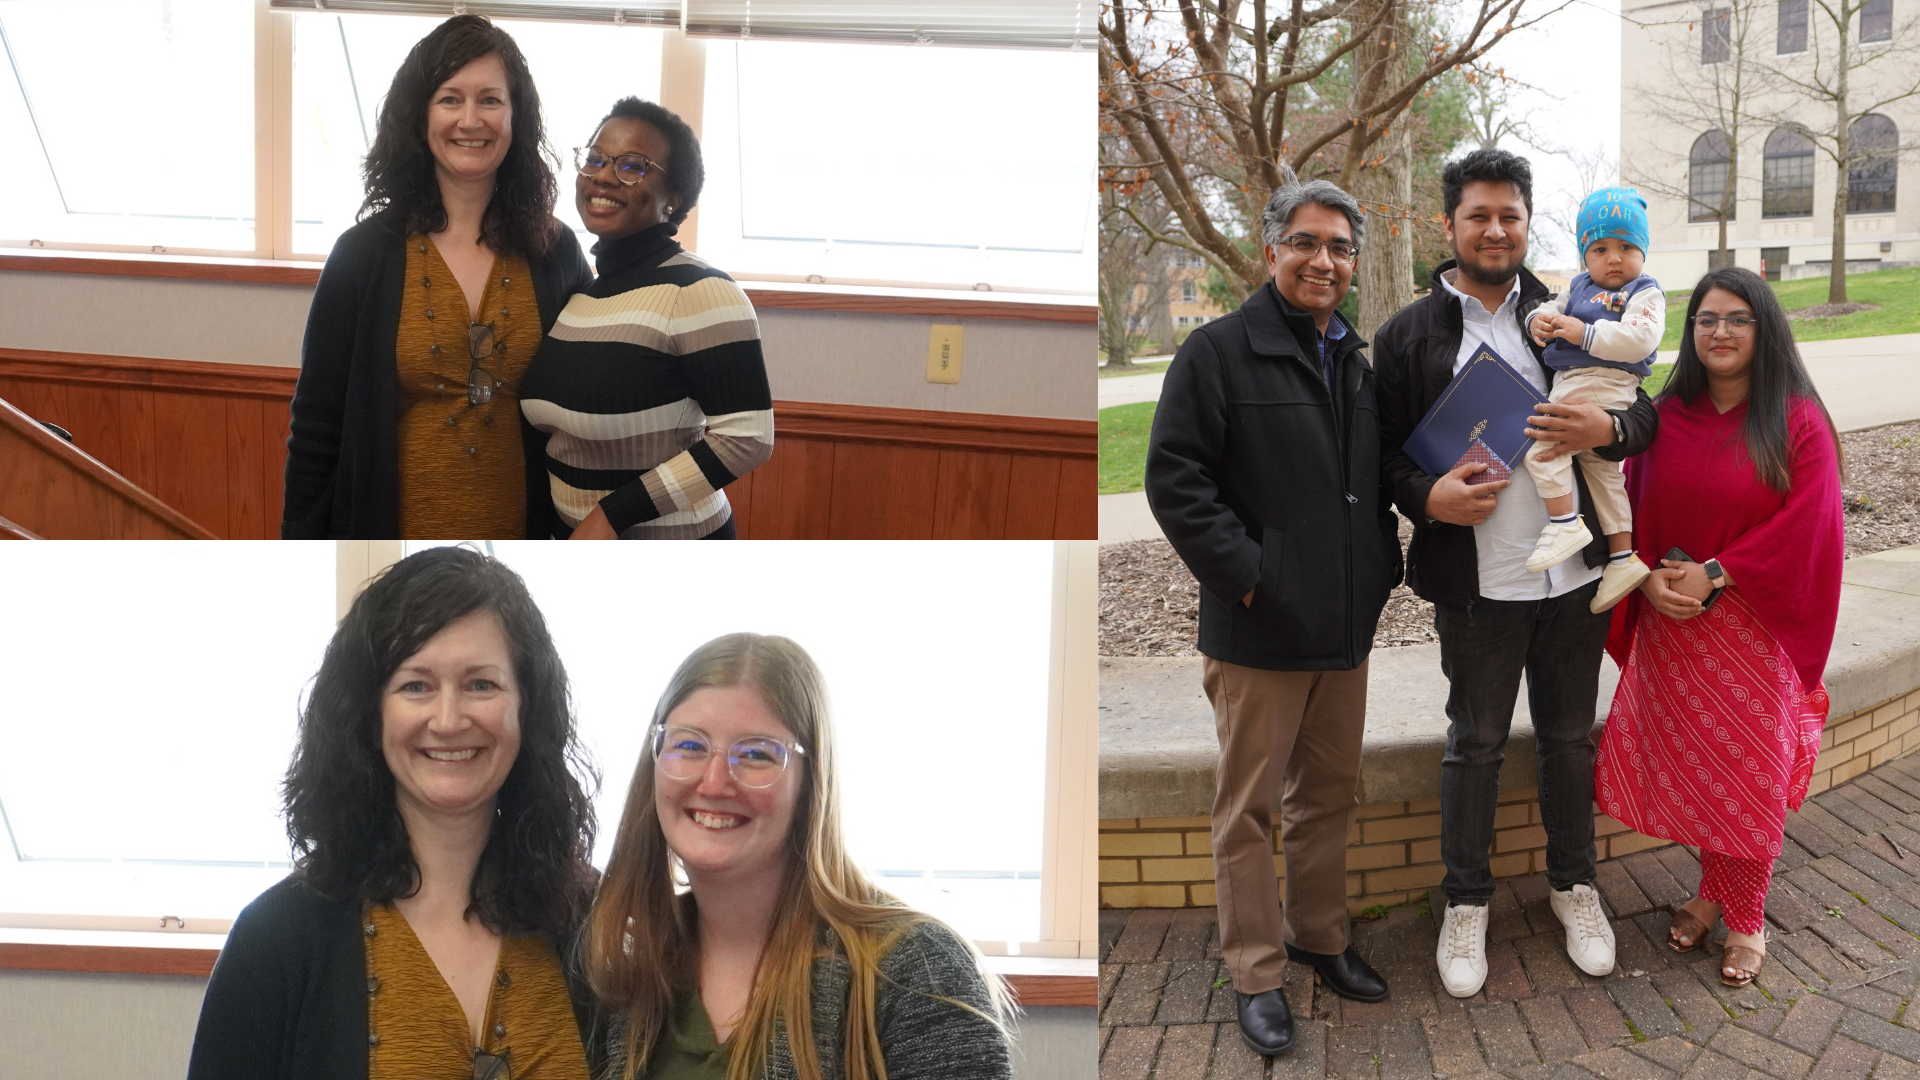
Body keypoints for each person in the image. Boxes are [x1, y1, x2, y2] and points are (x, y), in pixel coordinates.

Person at [1372, 149, 1661, 997]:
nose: (1495, 230)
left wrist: (1599, 436)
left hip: (1574, 583)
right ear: (1449, 225)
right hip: (1477, 587)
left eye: (1510, 216)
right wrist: (1428, 497)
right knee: (1476, 745)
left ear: (1529, 224)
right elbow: (1385, 458)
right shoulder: (1407, 337)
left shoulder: (1573, 308)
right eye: (1478, 216)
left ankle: (1576, 887)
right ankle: (1466, 904)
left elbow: (1641, 414)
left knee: (1571, 740)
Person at [1143, 168, 1401, 1058]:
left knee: (1326, 795)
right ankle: (1256, 972)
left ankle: (1319, 937)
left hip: (1342, 631)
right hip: (1259, 632)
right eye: (1305, 241)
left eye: (1338, 246)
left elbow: (1369, 483)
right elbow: (1176, 482)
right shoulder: (1217, 353)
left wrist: (1378, 569)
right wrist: (1255, 578)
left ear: (1353, 262)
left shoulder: (1356, 361)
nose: (1321, 260)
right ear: (1271, 250)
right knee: (1248, 809)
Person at [186, 547, 600, 1079]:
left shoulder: (591, 920)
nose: (448, 720)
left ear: (528, 708)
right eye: (415, 686)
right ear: (369, 711)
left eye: (481, 684)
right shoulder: (277, 938)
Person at [584, 633, 1012, 1078]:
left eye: (755, 754)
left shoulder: (917, 970)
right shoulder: (625, 966)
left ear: (811, 782)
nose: (713, 783)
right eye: (689, 745)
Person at [1595, 266, 1844, 988]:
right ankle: (1709, 892)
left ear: (1764, 329)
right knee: (1705, 773)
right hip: (1675, 623)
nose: (1722, 332)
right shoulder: (1666, 415)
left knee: (1749, 776)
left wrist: (1718, 572)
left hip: (1751, 626)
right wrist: (1648, 579)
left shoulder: (1796, 419)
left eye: (1738, 318)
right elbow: (1627, 506)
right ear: (1691, 330)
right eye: (1707, 319)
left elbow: (1811, 525)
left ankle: (1748, 920)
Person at [282, 15, 593, 540]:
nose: (470, 120)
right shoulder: (361, 257)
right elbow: (316, 431)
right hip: (384, 546)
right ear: (420, 115)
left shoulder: (554, 250)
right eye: (450, 99)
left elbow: (588, 397)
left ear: (517, 117)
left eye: (490, 100)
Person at [519, 99, 773, 539]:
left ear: (672, 199)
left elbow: (748, 438)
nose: (601, 175)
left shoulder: (699, 289)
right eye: (595, 159)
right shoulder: (582, 296)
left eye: (632, 166)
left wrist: (611, 515)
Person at [1521, 187, 1663, 612]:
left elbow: (1641, 338)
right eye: (1600, 248)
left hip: (1602, 379)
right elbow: (1549, 307)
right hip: (1580, 378)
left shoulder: (1644, 291)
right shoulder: (1578, 286)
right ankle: (1622, 557)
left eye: (1626, 246)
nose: (1614, 258)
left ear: (1643, 251)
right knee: (1603, 471)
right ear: (1585, 255)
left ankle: (1564, 522)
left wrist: (1583, 334)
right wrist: (1537, 322)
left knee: (1543, 447)